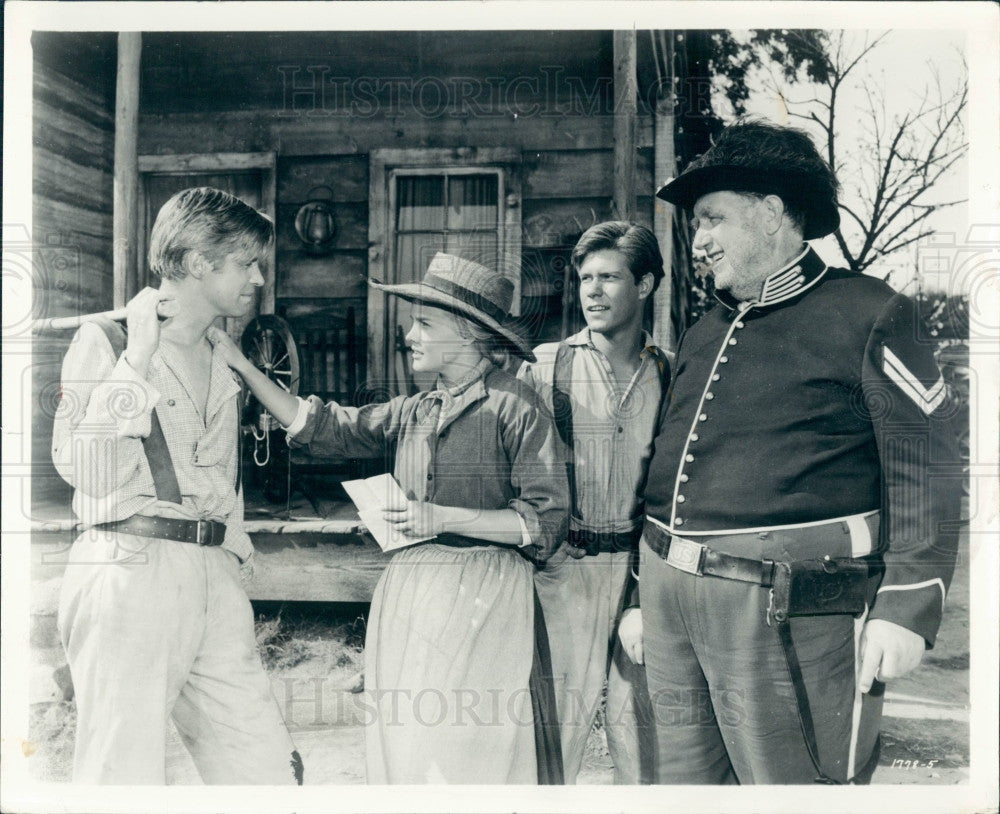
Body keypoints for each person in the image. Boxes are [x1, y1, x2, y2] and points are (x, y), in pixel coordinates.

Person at [634, 118, 963, 784]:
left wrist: (906, 605)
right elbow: (668, 469)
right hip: (671, 604)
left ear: (773, 214)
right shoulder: (704, 329)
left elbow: (926, 466)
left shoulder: (872, 312)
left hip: (789, 608)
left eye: (711, 219)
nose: (697, 242)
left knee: (793, 789)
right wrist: (641, 597)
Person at [211, 252, 569, 784]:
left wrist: (441, 515)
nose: (410, 333)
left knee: (471, 750)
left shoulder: (515, 406)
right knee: (412, 745)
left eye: (425, 323)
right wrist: (243, 368)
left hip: (483, 597)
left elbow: (545, 520)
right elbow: (324, 425)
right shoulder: (420, 407)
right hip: (412, 595)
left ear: (470, 335)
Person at [52, 187, 302, 784]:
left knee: (263, 770)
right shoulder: (107, 342)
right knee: (123, 773)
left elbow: (222, 480)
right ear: (196, 264)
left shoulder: (225, 356)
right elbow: (85, 470)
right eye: (246, 263)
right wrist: (137, 357)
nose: (260, 280)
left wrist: (232, 558)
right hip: (130, 567)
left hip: (213, 570)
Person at [518, 222, 667, 783]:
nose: (593, 291)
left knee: (642, 735)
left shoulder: (672, 372)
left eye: (609, 277)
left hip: (642, 577)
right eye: (585, 278)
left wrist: (649, 590)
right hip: (564, 574)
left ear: (646, 284)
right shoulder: (543, 366)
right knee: (555, 737)